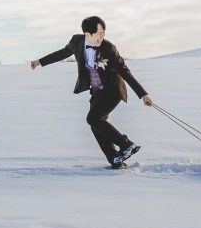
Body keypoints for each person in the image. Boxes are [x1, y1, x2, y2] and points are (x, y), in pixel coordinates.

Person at [31, 16, 153, 169]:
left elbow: (124, 71)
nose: (102, 36)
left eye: (104, 33)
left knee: (93, 119)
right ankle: (115, 160)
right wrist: (40, 62)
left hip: (112, 90)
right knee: (96, 124)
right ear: (87, 34)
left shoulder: (108, 48)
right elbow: (61, 54)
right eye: (99, 33)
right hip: (96, 91)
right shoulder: (77, 42)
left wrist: (143, 94)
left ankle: (126, 144)